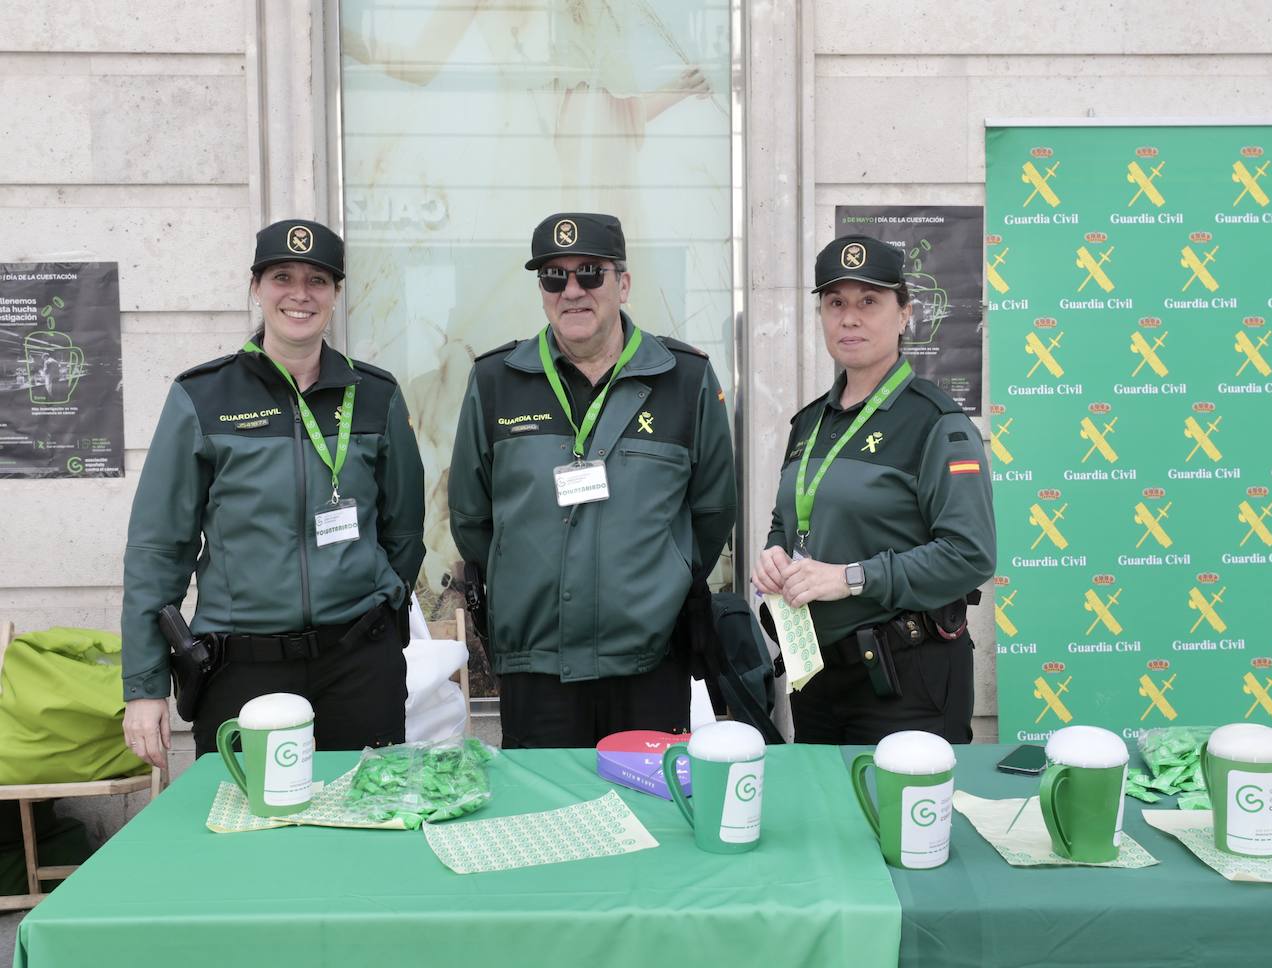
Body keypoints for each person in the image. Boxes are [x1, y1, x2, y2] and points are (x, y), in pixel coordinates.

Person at [121, 219, 425, 766]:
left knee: (364, 826)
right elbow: (158, 548)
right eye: (282, 277)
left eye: (318, 280)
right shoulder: (202, 396)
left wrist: (382, 606)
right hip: (242, 668)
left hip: (358, 664)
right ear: (256, 287)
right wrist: (145, 686)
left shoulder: (376, 396)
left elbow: (403, 527)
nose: (300, 294)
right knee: (246, 837)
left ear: (335, 293)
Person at [449, 212, 736, 748]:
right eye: (554, 277)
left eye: (590, 273)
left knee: (651, 819)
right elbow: (472, 518)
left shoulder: (685, 378)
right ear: (541, 292)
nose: (572, 291)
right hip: (537, 665)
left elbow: (713, 510)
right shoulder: (495, 381)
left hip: (648, 662)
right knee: (545, 823)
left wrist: (658, 580)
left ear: (622, 284)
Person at [751, 234, 996, 745]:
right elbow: (790, 520)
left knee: (901, 824)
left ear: (905, 313)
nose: (850, 317)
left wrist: (852, 577)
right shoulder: (810, 423)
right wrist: (775, 553)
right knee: (824, 819)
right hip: (816, 673)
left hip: (906, 679)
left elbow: (970, 555)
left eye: (869, 302)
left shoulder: (937, 424)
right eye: (835, 303)